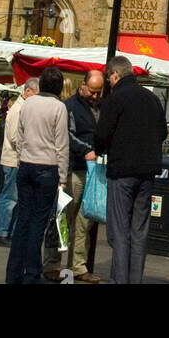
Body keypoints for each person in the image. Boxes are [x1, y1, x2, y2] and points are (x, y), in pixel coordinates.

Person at [93, 55, 168, 286]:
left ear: (115, 74)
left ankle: (120, 279)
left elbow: (102, 135)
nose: (109, 82)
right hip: (147, 172)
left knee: (119, 232)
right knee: (139, 231)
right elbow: (163, 133)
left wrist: (102, 148)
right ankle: (135, 279)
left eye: (109, 78)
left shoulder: (115, 99)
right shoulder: (152, 99)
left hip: (122, 170)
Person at [5, 66, 69, 285]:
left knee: (23, 220)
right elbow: (61, 144)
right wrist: (62, 176)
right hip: (47, 167)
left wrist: (23, 156)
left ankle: (13, 273)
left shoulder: (29, 103)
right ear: (59, 86)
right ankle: (32, 274)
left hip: (26, 165)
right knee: (37, 224)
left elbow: (20, 136)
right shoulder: (59, 107)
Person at [63, 70, 104, 282]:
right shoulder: (71, 106)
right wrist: (86, 149)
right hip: (76, 169)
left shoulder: (103, 107)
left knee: (84, 222)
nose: (96, 97)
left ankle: (78, 267)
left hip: (94, 171)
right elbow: (67, 135)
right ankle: (56, 265)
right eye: (92, 92)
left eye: (99, 93)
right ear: (83, 86)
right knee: (66, 220)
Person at [0, 77, 38, 248]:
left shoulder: (21, 108)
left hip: (15, 160)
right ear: (27, 92)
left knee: (13, 197)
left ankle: (6, 231)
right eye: (36, 94)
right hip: (13, 160)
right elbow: (14, 137)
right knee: (10, 197)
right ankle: (1, 232)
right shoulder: (18, 110)